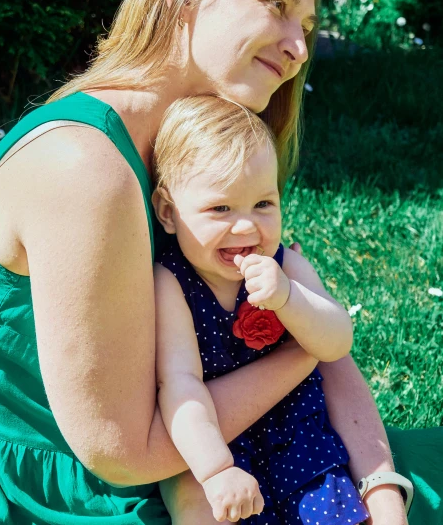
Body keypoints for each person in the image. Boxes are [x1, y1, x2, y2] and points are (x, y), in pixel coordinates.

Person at [0, 0, 407, 525]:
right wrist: (303, 354)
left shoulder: (195, 153)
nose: (298, 48)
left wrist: (382, 488)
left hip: (228, 451)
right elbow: (126, 454)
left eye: (308, 27)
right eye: (276, 5)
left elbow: (310, 328)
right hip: (82, 494)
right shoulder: (86, 166)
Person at [152, 95, 368, 524]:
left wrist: (289, 298)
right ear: (168, 212)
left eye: (263, 204)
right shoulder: (170, 284)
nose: (247, 226)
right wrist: (216, 470)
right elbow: (180, 385)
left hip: (297, 432)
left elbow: (337, 341)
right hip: (215, 439)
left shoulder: (286, 266)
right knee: (202, 509)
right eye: (220, 208)